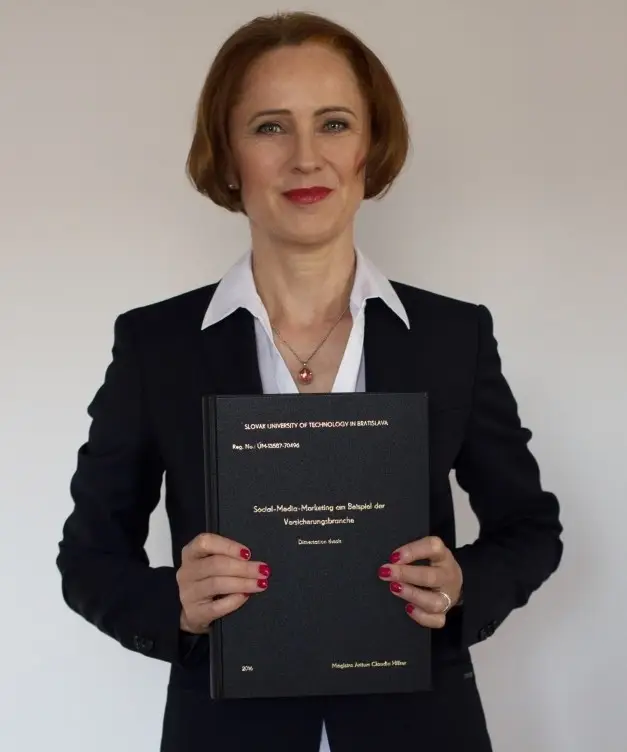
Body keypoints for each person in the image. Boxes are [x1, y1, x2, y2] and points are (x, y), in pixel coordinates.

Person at [56, 11, 563, 752]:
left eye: (333, 124)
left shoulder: (452, 337)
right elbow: (88, 559)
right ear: (229, 157)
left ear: (369, 148)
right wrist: (174, 604)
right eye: (269, 127)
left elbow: (530, 529)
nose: (305, 158)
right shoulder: (155, 346)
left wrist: (462, 588)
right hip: (227, 733)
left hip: (422, 727)